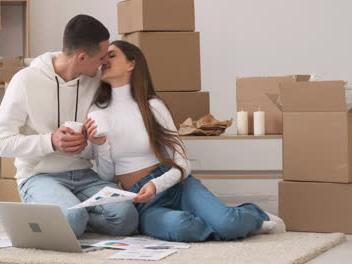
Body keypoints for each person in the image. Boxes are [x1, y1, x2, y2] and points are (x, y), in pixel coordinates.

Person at [84, 40, 286, 242]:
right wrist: (101, 145)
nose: (104, 61)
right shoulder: (97, 111)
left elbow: (183, 163)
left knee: (227, 224)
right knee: (183, 228)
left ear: (131, 64)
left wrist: (156, 184)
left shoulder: (153, 106)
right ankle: (225, 223)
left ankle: (251, 216)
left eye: (112, 55)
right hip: (141, 201)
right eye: (103, 58)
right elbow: (106, 176)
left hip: (176, 185)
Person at [0, 15, 138, 237]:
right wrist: (51, 141)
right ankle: (67, 213)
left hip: (85, 176)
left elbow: (96, 144)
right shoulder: (25, 81)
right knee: (72, 220)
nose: (103, 63)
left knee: (127, 218)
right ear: (81, 57)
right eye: (100, 57)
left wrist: (93, 141)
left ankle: (67, 213)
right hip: (39, 176)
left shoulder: (95, 82)